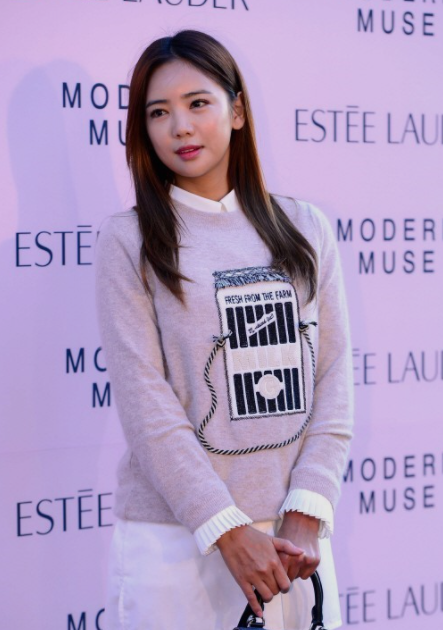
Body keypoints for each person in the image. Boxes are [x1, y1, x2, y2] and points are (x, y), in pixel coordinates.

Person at [95, 29, 354, 630]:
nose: (180, 127)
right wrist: (227, 528)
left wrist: (308, 510)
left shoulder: (305, 227)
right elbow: (145, 402)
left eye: (197, 103)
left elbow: (334, 373)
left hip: (293, 547)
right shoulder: (128, 241)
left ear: (237, 111)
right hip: (180, 543)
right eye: (159, 112)